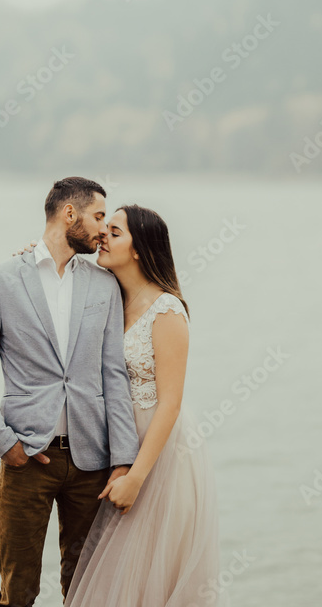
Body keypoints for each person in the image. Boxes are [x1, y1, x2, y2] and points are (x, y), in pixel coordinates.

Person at [0, 177, 140, 607]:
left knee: (88, 589)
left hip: (92, 460)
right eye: (97, 217)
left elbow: (114, 374)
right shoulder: (0, 281)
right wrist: (5, 444)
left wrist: (123, 460)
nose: (101, 230)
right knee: (18, 590)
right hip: (27, 460)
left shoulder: (104, 285)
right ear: (69, 214)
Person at [62, 203, 227, 606]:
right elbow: (60, 270)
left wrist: (136, 476)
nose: (102, 237)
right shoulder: (109, 296)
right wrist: (33, 254)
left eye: (114, 232)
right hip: (114, 445)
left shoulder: (167, 311)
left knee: (144, 573)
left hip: (158, 454)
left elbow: (170, 403)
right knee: (107, 574)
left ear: (139, 249)